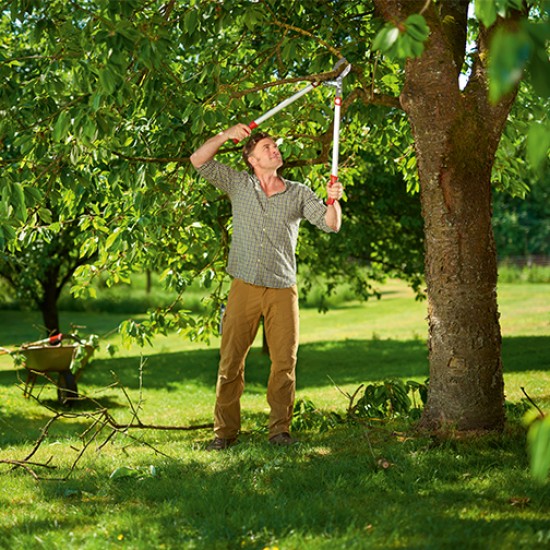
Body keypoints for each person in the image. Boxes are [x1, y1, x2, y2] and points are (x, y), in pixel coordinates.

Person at [190, 123, 343, 450]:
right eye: (267, 148)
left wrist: (334, 201)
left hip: (281, 289)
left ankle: (279, 432)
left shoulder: (298, 192)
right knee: (230, 362)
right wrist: (223, 136)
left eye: (275, 146)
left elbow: (331, 225)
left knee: (285, 364)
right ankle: (225, 434)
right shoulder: (239, 184)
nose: (275, 150)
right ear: (252, 160)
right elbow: (198, 160)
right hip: (243, 286)